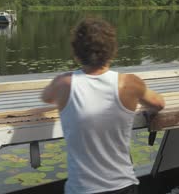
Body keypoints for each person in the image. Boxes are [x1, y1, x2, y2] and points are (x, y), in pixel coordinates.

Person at [41, 18, 165, 194]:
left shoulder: (63, 83)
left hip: (82, 189)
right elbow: (159, 104)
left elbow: (46, 98)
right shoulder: (130, 83)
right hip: (123, 186)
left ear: (76, 53)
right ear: (112, 51)